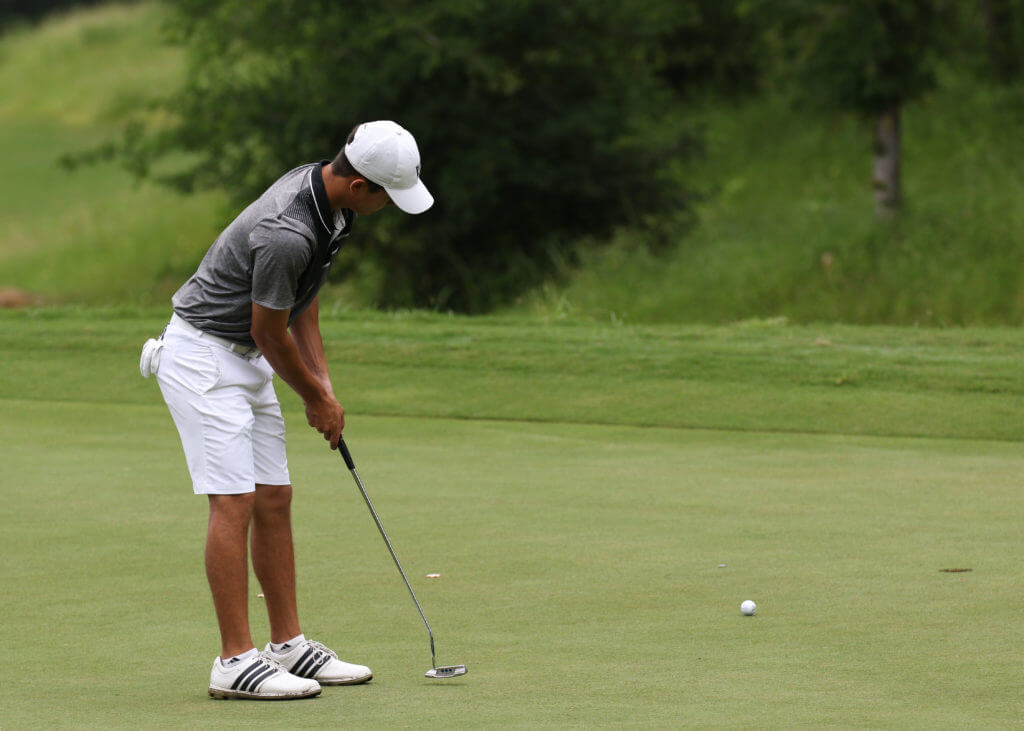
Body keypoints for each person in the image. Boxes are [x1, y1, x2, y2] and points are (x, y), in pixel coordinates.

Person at [139, 121, 433, 700]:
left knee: (274, 495)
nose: (388, 208)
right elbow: (269, 332)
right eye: (387, 198)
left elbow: (305, 302)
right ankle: (233, 661)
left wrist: (323, 384)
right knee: (235, 501)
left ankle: (287, 645)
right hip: (203, 357)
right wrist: (315, 399)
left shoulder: (331, 206)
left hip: (246, 358)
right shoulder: (288, 231)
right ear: (359, 185)